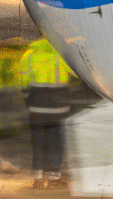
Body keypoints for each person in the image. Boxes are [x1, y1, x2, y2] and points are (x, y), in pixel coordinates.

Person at [20, 38, 76, 189]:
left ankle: (38, 178)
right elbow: (76, 72)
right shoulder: (61, 53)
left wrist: (28, 101)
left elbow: (24, 82)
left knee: (37, 142)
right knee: (55, 142)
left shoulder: (28, 55)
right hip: (58, 108)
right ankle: (53, 178)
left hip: (36, 106)